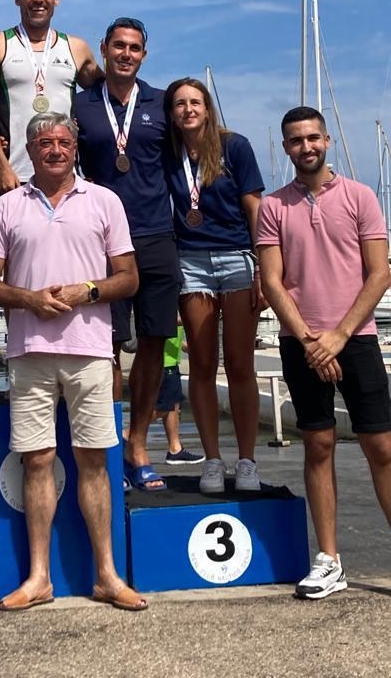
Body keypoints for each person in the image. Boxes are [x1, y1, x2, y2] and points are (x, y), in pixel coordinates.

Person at [0, 112, 145, 612]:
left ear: (75, 148)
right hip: (29, 352)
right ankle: (38, 578)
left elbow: (129, 278)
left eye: (63, 142)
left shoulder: (105, 201)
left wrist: (87, 290)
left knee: (95, 460)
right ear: (30, 149)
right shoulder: (7, 206)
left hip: (91, 350)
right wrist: (28, 300)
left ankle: (107, 576)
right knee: (37, 461)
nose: (54, 149)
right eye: (44, 142)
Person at [258, 106, 391, 599]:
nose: (305, 147)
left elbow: (380, 273)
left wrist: (336, 336)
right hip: (301, 342)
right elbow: (272, 281)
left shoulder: (360, 197)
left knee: (382, 448)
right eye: (295, 141)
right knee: (318, 445)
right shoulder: (274, 206)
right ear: (287, 146)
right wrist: (312, 341)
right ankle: (329, 559)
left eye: (312, 138)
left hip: (355, 340)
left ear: (328, 140)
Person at [75, 16, 181, 492]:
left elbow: (188, 162)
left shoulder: (161, 104)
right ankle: (111, 445)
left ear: (144, 55)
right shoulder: (80, 104)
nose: (125, 54)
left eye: (134, 48)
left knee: (156, 342)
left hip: (156, 235)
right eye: (118, 46)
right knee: (107, 348)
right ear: (104, 49)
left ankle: (138, 444)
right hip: (100, 240)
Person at [163, 77, 266, 492]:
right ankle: (211, 461)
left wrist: (263, 266)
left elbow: (254, 206)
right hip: (190, 262)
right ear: (171, 112)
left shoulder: (234, 146)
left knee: (240, 364)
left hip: (238, 258)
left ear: (207, 108)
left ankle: (247, 461)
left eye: (195, 102)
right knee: (202, 365)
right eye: (180, 104)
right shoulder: (166, 153)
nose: (188, 109)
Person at [0, 0, 101, 194]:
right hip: (14, 175)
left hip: (66, 176)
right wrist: (2, 167)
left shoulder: (77, 48)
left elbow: (104, 96)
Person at [152, 327, 205, 466]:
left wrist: (182, 345)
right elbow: (165, 318)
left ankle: (175, 449)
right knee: (166, 405)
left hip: (170, 359)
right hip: (163, 361)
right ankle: (128, 433)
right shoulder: (170, 306)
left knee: (174, 404)